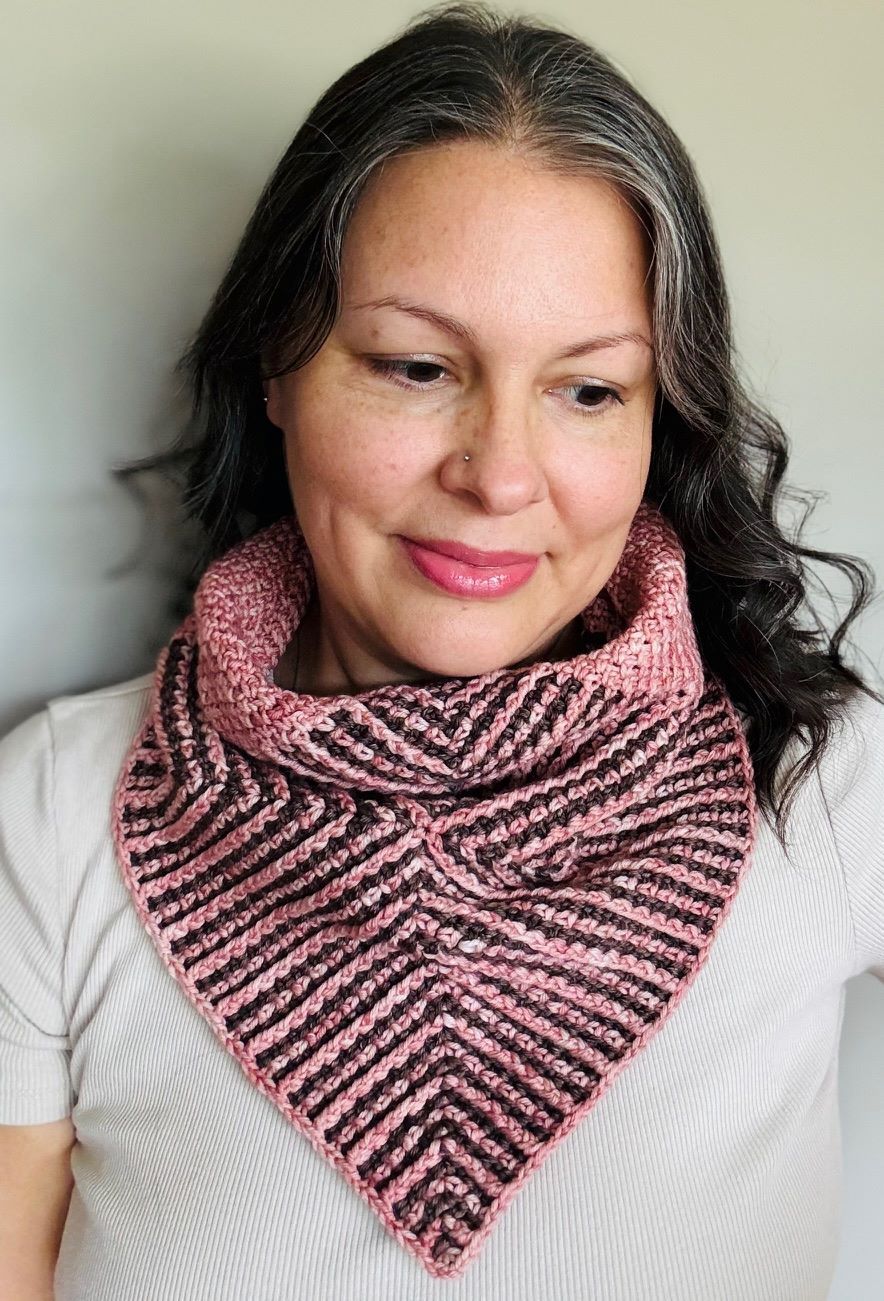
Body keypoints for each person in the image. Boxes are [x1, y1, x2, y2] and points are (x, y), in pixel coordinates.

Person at [1, 3, 881, 1298]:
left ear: (662, 417)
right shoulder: (59, 809)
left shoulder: (822, 778)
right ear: (277, 368)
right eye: (416, 366)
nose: (500, 474)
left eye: (588, 389)